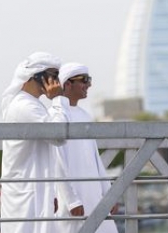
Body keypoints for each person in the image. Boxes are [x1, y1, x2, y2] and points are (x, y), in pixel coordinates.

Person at [0, 52, 83, 233]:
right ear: (37, 77)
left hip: (35, 188)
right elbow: (58, 136)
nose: (57, 83)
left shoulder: (32, 104)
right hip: (27, 193)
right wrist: (58, 99)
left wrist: (52, 192)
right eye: (53, 76)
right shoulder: (24, 105)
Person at [58, 62, 119, 233]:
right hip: (73, 201)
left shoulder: (84, 115)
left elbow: (95, 159)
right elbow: (58, 162)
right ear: (67, 84)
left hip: (94, 196)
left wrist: (109, 194)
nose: (89, 85)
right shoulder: (56, 115)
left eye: (89, 80)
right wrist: (71, 200)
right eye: (84, 80)